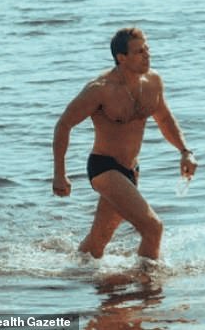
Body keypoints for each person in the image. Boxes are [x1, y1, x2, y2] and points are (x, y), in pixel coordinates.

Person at [52, 27, 197, 260]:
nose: (147, 55)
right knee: (153, 228)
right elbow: (63, 125)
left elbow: (165, 119)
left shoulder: (153, 82)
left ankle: (73, 273)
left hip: (131, 170)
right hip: (104, 168)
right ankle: (149, 287)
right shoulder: (100, 89)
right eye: (140, 52)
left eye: (147, 49)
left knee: (99, 239)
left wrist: (184, 151)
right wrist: (60, 173)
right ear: (122, 58)